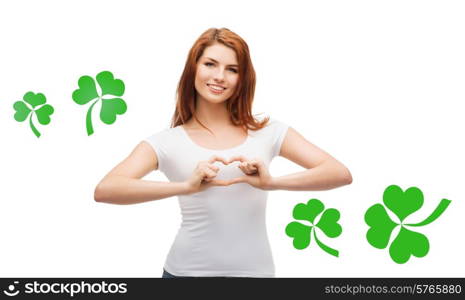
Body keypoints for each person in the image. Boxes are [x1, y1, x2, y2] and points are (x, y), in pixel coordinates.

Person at [94, 28, 353, 278]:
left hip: (255, 276)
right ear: (193, 68)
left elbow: (339, 173)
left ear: (243, 79)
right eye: (210, 64)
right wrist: (186, 186)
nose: (220, 76)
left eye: (232, 69)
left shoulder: (269, 132)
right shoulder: (166, 142)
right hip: (185, 275)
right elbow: (106, 189)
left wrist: (271, 183)